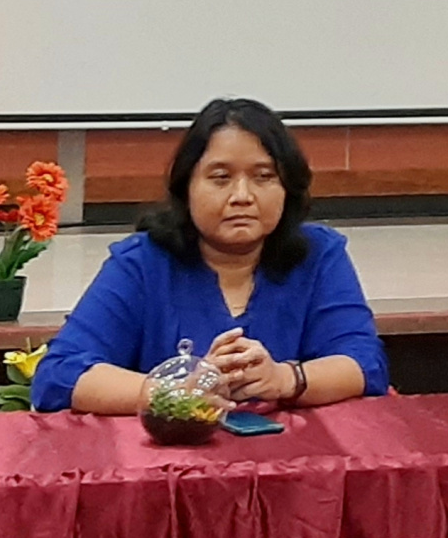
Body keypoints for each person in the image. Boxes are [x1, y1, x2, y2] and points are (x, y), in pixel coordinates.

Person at [31, 98, 390, 412]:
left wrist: (285, 379)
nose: (242, 196)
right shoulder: (142, 263)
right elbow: (60, 374)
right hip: (169, 471)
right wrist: (173, 390)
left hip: (295, 470)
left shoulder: (319, 255)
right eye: (220, 178)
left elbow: (364, 363)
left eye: (263, 177)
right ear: (186, 187)